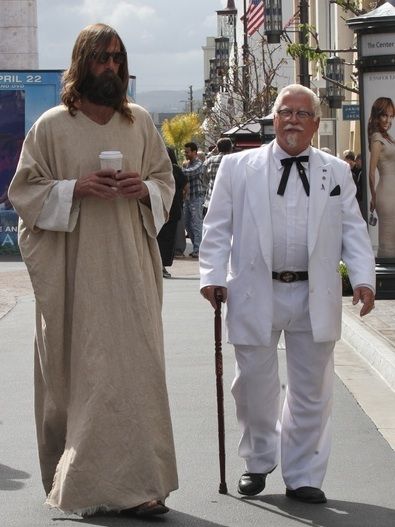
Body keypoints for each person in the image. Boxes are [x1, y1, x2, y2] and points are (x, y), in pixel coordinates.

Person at [8, 23, 178, 517]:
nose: (111, 67)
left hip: (130, 276)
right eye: (102, 58)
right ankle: (83, 485)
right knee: (81, 379)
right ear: (83, 63)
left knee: (135, 375)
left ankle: (144, 486)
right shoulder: (52, 127)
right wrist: (74, 189)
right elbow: (24, 193)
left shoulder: (140, 123)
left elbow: (165, 181)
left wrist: (142, 190)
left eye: (118, 58)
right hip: (74, 278)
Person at [200, 84, 375, 504]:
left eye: (302, 113)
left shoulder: (335, 171)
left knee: (311, 391)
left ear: (316, 122)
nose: (293, 119)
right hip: (254, 288)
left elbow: (352, 226)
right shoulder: (237, 167)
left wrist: (364, 278)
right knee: (254, 389)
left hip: (314, 293)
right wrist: (211, 274)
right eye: (285, 112)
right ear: (273, 119)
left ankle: (303, 474)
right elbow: (217, 225)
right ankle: (258, 461)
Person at [368, 96, 395, 257]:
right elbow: (371, 171)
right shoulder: (377, 138)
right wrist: (374, 196)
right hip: (387, 195)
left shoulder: (387, 137)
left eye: (391, 116)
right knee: (388, 242)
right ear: (377, 115)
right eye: (385, 115)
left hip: (391, 192)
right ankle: (388, 281)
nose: (388, 120)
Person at [157, 147, 187, 278]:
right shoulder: (176, 169)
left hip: (158, 207)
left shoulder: (156, 169)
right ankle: (162, 265)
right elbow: (186, 187)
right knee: (168, 240)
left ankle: (158, 265)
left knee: (157, 238)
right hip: (173, 209)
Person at [182, 141, 204, 258]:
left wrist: (176, 170)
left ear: (194, 152)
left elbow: (190, 173)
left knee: (196, 224)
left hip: (197, 198)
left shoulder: (199, 164)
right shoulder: (187, 164)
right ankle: (197, 247)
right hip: (188, 198)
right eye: (185, 152)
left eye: (187, 152)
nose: (185, 154)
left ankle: (198, 249)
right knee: (187, 223)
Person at [202, 137, 233, 216]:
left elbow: (204, 178)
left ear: (218, 148)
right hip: (229, 202)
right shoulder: (234, 160)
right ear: (230, 148)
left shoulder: (210, 160)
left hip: (210, 201)